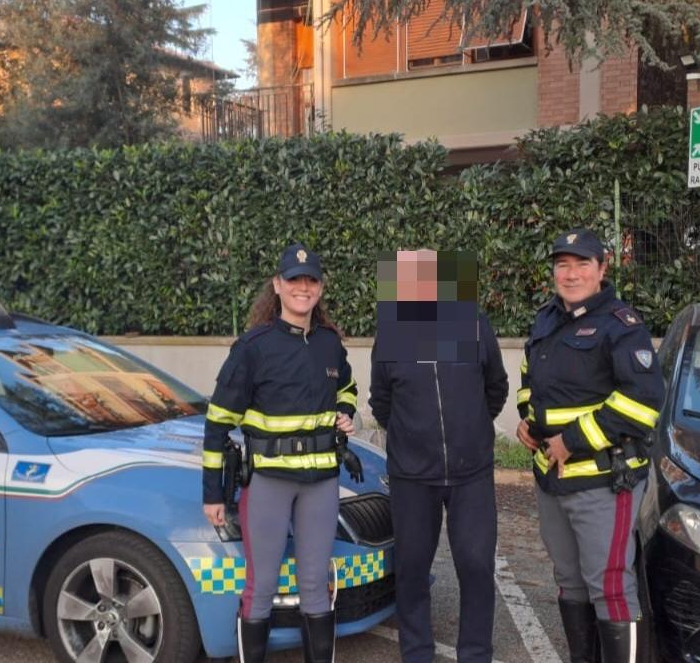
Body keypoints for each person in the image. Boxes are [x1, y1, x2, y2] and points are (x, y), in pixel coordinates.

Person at [202, 243, 359, 663]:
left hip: (321, 483)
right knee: (262, 586)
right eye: (294, 281)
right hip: (269, 483)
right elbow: (217, 422)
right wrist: (213, 494)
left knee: (313, 583)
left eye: (310, 281)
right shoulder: (253, 347)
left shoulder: (329, 343)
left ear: (320, 288)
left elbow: (346, 386)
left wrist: (346, 411)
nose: (302, 288)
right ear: (278, 285)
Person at [516, 228, 664, 663]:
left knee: (610, 584)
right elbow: (531, 382)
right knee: (570, 580)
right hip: (552, 479)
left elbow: (641, 402)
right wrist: (530, 422)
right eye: (563, 264)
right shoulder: (546, 319)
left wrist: (570, 440)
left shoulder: (621, 325)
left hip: (604, 480)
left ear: (602, 268)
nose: (571, 273)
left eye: (582, 263)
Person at [369, 249, 509, 663]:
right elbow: (382, 402)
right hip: (413, 476)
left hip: (472, 474)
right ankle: (416, 653)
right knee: (411, 570)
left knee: (477, 567)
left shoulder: (474, 325)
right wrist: (413, 437)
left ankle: (475, 654)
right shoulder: (392, 333)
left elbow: (495, 388)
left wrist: (472, 429)